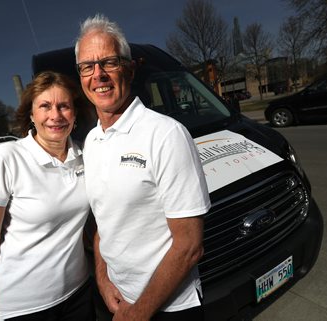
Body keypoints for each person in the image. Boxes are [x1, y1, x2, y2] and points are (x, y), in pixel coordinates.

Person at [75, 14, 211, 321]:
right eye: (87, 66)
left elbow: (189, 246)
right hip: (121, 299)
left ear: (129, 68)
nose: (98, 75)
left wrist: (139, 313)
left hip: (171, 307)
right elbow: (102, 221)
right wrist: (102, 277)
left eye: (109, 62)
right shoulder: (92, 142)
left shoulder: (166, 135)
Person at [0, 71, 95, 321]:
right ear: (31, 114)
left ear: (75, 113)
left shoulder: (86, 156)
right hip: (24, 307)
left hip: (79, 294)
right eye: (45, 106)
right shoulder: (6, 158)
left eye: (64, 106)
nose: (55, 115)